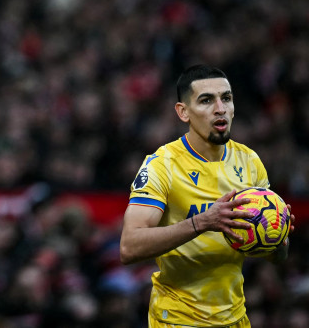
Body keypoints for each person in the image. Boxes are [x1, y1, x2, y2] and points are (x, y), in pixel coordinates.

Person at [119, 65, 293, 327]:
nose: (220, 108)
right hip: (177, 320)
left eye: (226, 98)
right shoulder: (161, 165)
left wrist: (278, 237)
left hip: (235, 318)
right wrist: (201, 222)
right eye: (206, 100)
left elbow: (276, 256)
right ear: (183, 112)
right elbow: (129, 246)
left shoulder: (249, 162)